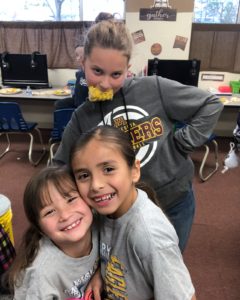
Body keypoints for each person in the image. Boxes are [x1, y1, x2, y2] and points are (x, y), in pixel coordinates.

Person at [54, 20, 224, 252]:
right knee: (127, 271)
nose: (105, 83)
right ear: (83, 62)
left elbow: (211, 104)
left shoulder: (153, 88)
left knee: (167, 265)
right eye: (97, 71)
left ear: (128, 68)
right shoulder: (82, 117)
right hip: (120, 211)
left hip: (173, 200)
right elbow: (59, 168)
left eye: (116, 74)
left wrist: (183, 142)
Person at [70, 125, 197, 299]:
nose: (96, 185)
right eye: (84, 175)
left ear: (135, 170)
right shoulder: (103, 210)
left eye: (108, 169)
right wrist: (100, 273)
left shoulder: (150, 236)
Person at [5, 166, 100, 300]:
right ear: (40, 228)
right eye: (50, 212)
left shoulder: (102, 224)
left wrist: (99, 274)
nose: (65, 215)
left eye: (71, 199)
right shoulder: (42, 274)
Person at [54, 12, 115, 110]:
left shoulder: (113, 49)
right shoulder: (91, 46)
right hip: (83, 102)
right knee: (59, 104)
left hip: (99, 104)